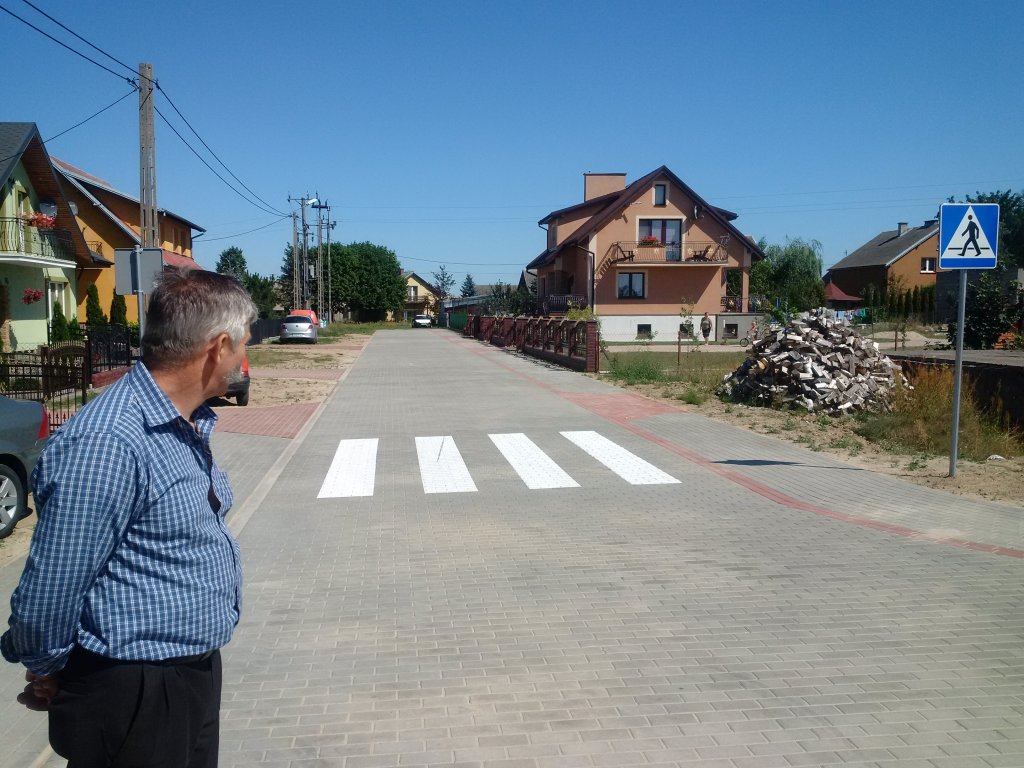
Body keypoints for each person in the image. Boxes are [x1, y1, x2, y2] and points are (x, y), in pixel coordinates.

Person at [2, 268, 256, 768]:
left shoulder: (180, 423)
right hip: (133, 694)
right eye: (244, 343)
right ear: (218, 346)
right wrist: (49, 666)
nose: (245, 357)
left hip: (187, 678)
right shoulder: (108, 442)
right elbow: (51, 587)